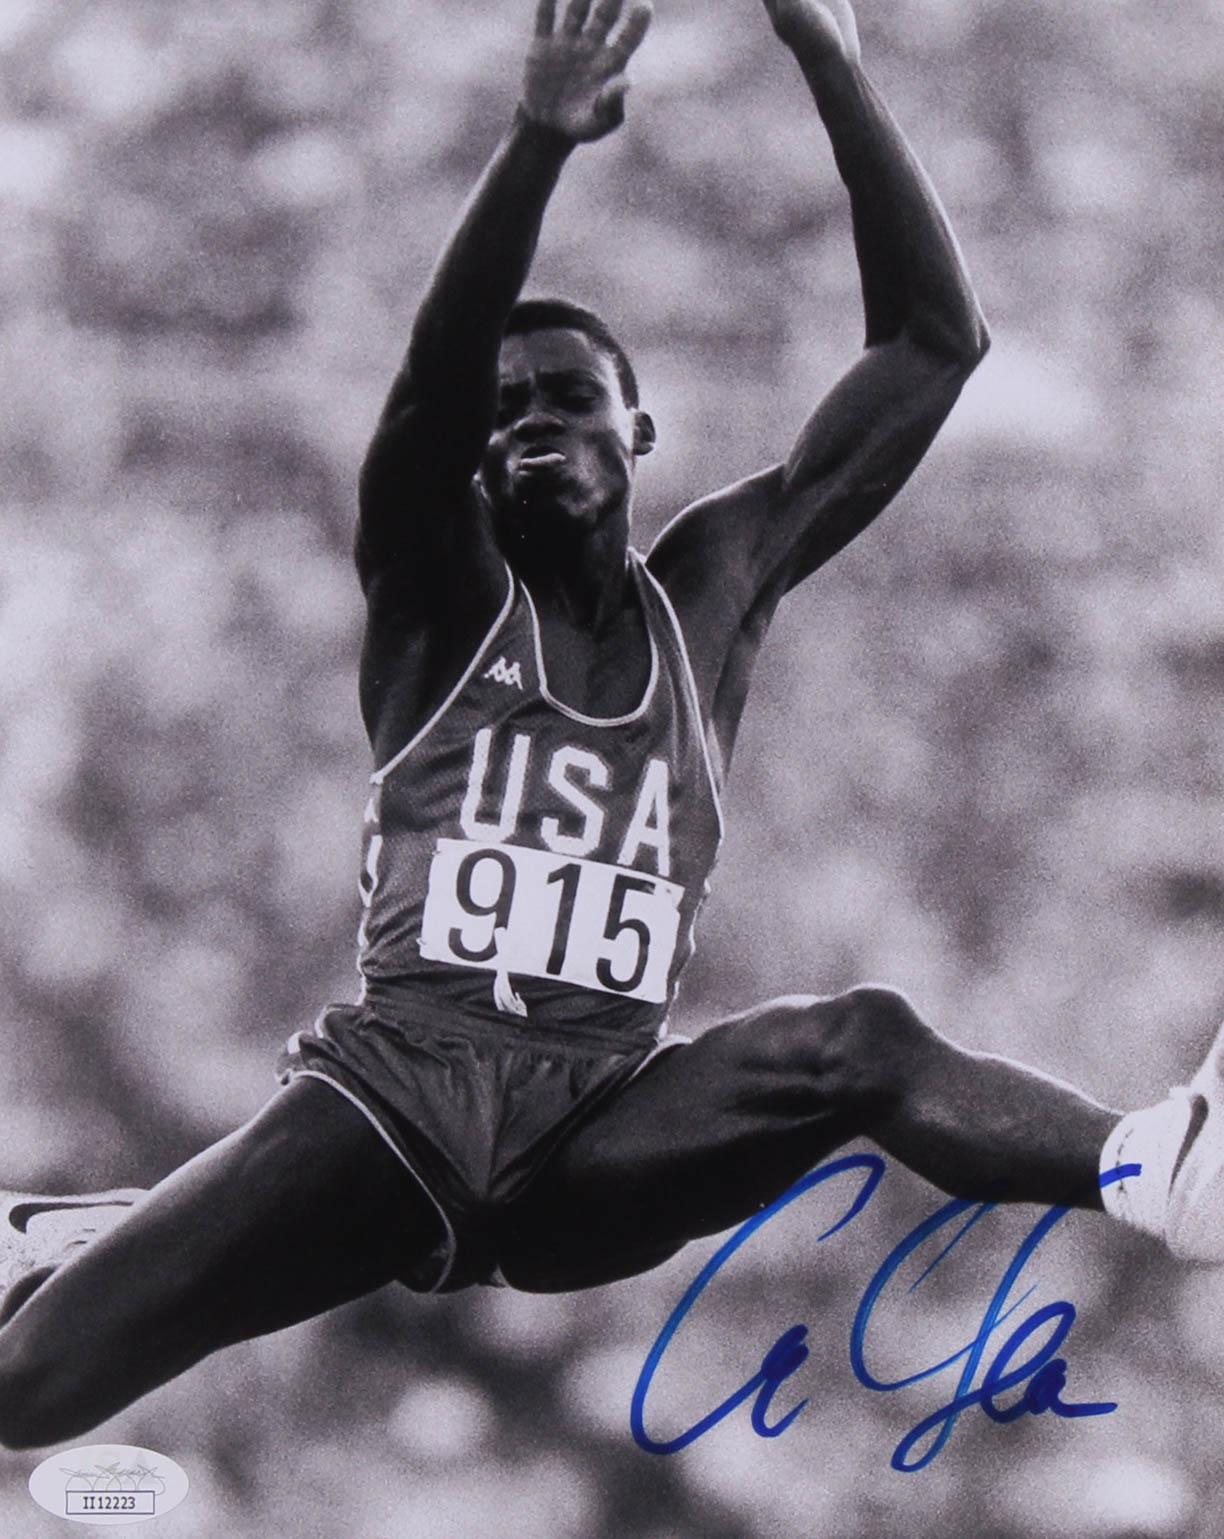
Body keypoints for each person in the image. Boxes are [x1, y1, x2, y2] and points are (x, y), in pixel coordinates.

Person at [0, 0, 1217, 1452]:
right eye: (502, 405)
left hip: (600, 1135)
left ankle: (1151, 1170)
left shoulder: (713, 590)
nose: (530, 419)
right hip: (397, 1103)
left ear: (637, 433)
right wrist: (537, 138)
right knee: (24, 1391)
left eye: (571, 397)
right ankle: (99, 1233)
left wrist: (830, 55)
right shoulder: (439, 594)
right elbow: (425, 388)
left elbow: (936, 342)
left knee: (861, 1042)